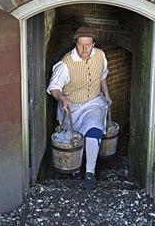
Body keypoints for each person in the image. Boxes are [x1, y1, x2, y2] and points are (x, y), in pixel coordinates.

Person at [47, 26, 112, 190]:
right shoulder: (65, 64)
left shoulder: (101, 56)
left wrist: (107, 94)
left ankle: (90, 172)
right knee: (74, 138)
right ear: (75, 43)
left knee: (94, 128)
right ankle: (74, 167)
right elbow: (54, 87)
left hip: (93, 102)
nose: (84, 49)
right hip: (72, 107)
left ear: (93, 43)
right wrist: (62, 98)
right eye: (81, 44)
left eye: (88, 45)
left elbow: (103, 77)